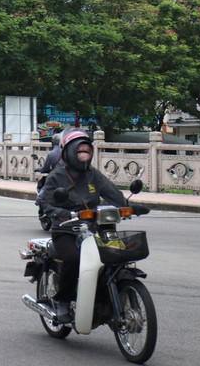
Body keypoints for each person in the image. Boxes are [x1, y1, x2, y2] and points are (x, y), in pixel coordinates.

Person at [39, 127, 129, 321]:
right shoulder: (57, 176)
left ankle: (105, 299)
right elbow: (45, 203)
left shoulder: (94, 175)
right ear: (69, 152)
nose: (83, 155)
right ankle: (63, 300)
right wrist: (62, 213)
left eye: (86, 151)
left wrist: (130, 206)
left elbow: (113, 194)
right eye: (79, 151)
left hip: (94, 228)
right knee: (73, 259)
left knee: (117, 256)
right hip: (66, 230)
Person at [34, 132, 62, 206]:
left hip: (55, 177)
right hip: (68, 177)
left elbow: (45, 169)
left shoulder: (51, 154)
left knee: (41, 196)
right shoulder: (67, 152)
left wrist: (38, 169)